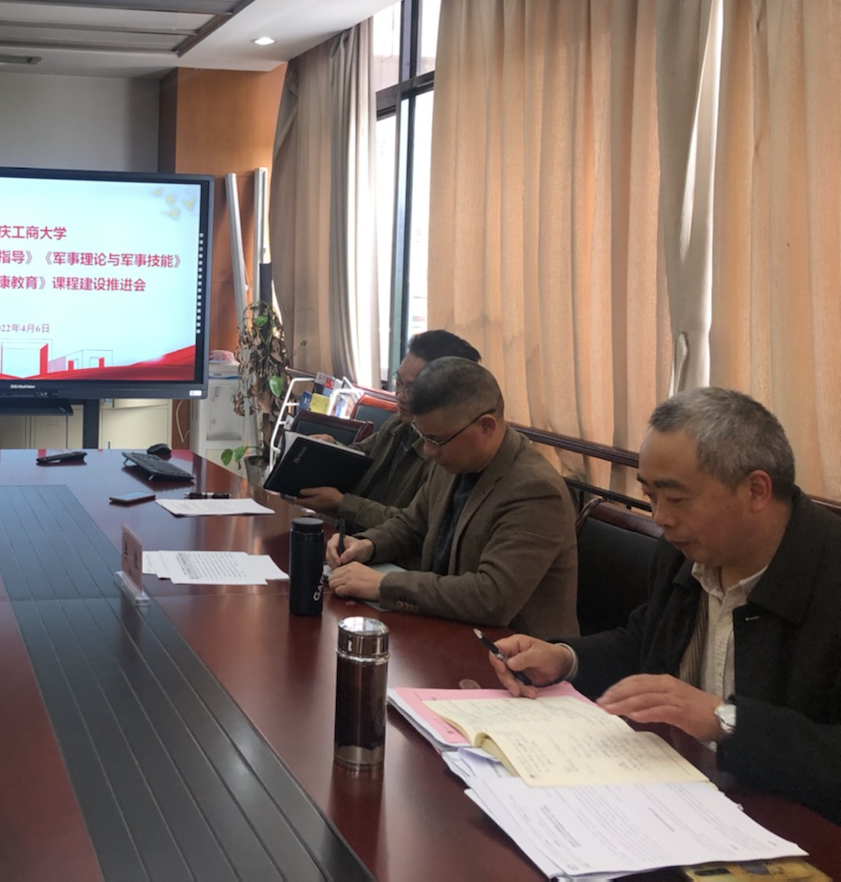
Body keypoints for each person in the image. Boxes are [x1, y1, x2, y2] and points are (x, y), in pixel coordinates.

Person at [487, 388, 841, 822]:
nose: (660, 518)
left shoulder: (827, 575)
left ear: (756, 490)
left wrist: (725, 721)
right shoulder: (684, 551)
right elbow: (646, 643)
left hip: (785, 825)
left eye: (676, 499)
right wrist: (564, 658)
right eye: (651, 497)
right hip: (669, 797)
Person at [327, 357, 577, 636]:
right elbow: (411, 525)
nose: (428, 451)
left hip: (511, 649)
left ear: (486, 426)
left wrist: (384, 584)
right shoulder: (453, 458)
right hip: (444, 627)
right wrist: (367, 545)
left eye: (435, 440)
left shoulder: (535, 490)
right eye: (422, 436)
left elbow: (491, 597)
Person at [297, 330, 481, 547]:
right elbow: (363, 454)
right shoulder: (399, 423)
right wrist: (330, 448)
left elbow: (414, 525)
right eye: (398, 383)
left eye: (413, 389)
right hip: (356, 540)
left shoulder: (448, 452)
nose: (400, 396)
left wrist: (342, 503)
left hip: (390, 553)